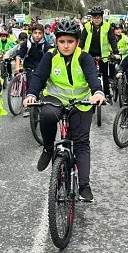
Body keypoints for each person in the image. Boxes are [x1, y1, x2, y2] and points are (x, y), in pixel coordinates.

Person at [22, 20, 106, 201]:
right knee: (47, 115)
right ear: (56, 41)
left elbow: (93, 77)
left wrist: (98, 93)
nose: (66, 46)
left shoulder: (84, 58)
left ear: (77, 42)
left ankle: (84, 184)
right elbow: (38, 77)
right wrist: (31, 94)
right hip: (56, 99)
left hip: (81, 103)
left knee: (81, 142)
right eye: (62, 42)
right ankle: (48, 148)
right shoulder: (50, 56)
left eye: (70, 41)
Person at [79, 6, 120, 99]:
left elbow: (112, 40)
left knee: (105, 75)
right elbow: (82, 40)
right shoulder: (87, 26)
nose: (96, 19)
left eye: (98, 17)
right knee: (87, 75)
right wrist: (78, 51)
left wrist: (116, 52)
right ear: (91, 18)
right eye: (94, 17)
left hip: (103, 55)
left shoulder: (107, 26)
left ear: (102, 17)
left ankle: (106, 94)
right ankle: (86, 94)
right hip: (89, 54)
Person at [16, 24, 53, 117]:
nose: (37, 35)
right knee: (31, 82)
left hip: (42, 70)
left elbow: (52, 58)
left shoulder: (46, 45)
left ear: (43, 34)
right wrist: (17, 67)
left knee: (45, 85)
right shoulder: (27, 44)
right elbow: (19, 56)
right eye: (35, 33)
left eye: (40, 33)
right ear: (31, 33)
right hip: (29, 68)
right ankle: (29, 105)